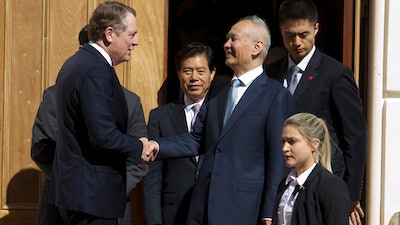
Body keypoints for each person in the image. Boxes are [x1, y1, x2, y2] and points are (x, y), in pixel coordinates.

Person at [144, 15, 293, 225]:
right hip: (203, 207)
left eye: (233, 39)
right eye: (227, 39)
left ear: (256, 47)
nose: (226, 44)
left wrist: (270, 211)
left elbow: (279, 159)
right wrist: (157, 145)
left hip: (244, 209)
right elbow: (198, 139)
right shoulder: (218, 91)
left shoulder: (275, 95)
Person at [265, 0, 367, 224]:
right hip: (280, 184)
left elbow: (355, 138)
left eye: (304, 34)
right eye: (290, 35)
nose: (297, 42)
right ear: (281, 31)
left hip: (321, 184)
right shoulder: (270, 73)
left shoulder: (335, 73)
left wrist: (350, 195)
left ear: (316, 29)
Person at [48, 2, 149, 224]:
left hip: (81, 194)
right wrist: (139, 147)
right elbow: (103, 135)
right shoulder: (95, 70)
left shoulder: (79, 63)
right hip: (91, 197)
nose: (136, 41)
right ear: (110, 34)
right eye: (131, 34)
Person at [143, 42, 216, 225]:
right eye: (187, 71)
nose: (194, 78)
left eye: (201, 71)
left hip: (214, 210)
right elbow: (153, 178)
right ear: (178, 74)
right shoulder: (160, 116)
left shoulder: (222, 113)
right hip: (174, 214)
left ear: (212, 73)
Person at [272, 112, 350, 225]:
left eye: (292, 141)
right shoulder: (285, 185)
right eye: (283, 141)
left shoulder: (331, 185)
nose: (285, 148)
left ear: (314, 144)